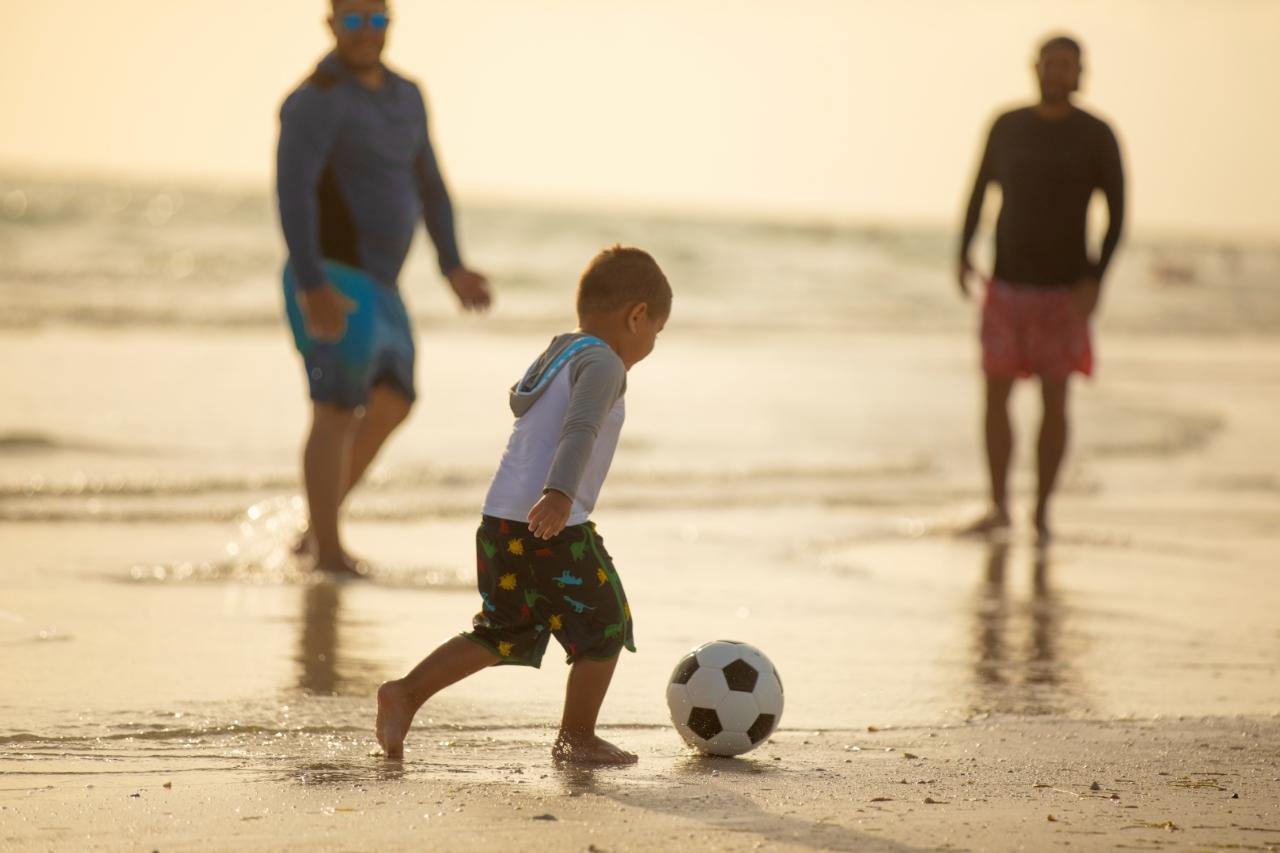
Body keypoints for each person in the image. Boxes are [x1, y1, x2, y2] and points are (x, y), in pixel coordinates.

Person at [375, 246, 671, 765]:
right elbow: (581, 428)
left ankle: (406, 692)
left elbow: (520, 402)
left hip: (500, 520)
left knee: (504, 629)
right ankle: (576, 737)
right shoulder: (603, 361)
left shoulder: (561, 350)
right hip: (552, 522)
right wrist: (558, 495)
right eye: (654, 334)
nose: (649, 346)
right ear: (637, 315)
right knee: (606, 625)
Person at [276, 0, 491, 574]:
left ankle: (314, 532)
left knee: (395, 400)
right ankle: (327, 549)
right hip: (332, 273)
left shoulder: (408, 95)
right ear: (332, 25)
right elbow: (292, 192)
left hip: (384, 285)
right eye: (353, 20)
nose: (366, 31)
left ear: (390, 25)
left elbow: (430, 183)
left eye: (376, 20)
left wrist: (452, 265)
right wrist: (313, 283)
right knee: (335, 410)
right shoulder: (314, 101)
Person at [957, 34, 1125, 543]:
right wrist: (961, 250)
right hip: (1006, 283)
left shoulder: (1097, 135)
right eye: (1051, 64)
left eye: (1067, 66)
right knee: (995, 395)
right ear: (1035, 68)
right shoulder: (1007, 125)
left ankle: (1043, 513)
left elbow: (1117, 213)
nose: (1058, 73)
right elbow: (979, 189)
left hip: (1064, 292)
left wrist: (1096, 279)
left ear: (1081, 73)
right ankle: (999, 505)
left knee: (1056, 401)